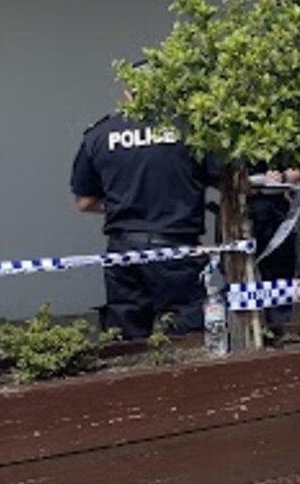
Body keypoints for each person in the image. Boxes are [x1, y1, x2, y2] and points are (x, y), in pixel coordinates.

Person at [70, 88, 215, 341]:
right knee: (187, 332)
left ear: (127, 93)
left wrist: (123, 203)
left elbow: (84, 202)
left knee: (127, 336)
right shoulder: (190, 130)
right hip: (175, 247)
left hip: (123, 248)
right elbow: (227, 182)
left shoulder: (100, 133)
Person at [248, 166, 300, 328]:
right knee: (238, 278)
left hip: (277, 209)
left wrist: (287, 177)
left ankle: (279, 328)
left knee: (280, 276)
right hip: (240, 208)